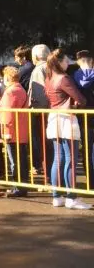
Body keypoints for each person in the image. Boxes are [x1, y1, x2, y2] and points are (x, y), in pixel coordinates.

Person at [44, 49, 91, 209]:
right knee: (70, 159)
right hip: (67, 120)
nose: (68, 63)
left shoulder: (49, 78)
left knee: (58, 158)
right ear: (59, 62)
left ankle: (57, 196)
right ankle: (71, 198)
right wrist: (75, 104)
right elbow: (81, 100)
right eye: (65, 61)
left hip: (54, 118)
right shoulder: (64, 78)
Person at [0, 66, 30, 196]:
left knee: (15, 161)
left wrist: (6, 133)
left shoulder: (10, 92)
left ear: (7, 78)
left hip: (12, 132)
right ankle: (22, 186)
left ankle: (18, 188)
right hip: (20, 130)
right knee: (21, 160)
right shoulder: (20, 89)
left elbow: (7, 114)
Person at [28, 44, 51, 176]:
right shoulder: (52, 66)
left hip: (41, 112)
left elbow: (39, 94)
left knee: (42, 142)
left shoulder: (38, 70)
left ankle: (46, 171)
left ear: (36, 56)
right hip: (51, 110)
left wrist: (36, 110)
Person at [73, 49, 94, 179]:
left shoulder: (75, 75)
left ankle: (91, 181)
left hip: (84, 118)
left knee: (87, 149)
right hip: (87, 117)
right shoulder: (78, 74)